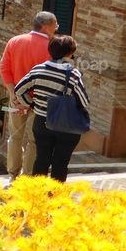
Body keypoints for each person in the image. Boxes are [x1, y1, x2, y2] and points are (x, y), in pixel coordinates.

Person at [14, 35, 89, 182]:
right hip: (66, 126)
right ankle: (55, 194)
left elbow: (19, 90)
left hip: (41, 122)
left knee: (41, 159)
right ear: (69, 53)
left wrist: (31, 104)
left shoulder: (38, 69)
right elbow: (83, 101)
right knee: (60, 162)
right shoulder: (73, 74)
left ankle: (37, 191)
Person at [0, 11, 57, 180]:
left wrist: (13, 94)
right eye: (55, 25)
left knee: (15, 137)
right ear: (46, 27)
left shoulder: (14, 41)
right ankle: (27, 176)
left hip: (16, 98)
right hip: (40, 102)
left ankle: (13, 175)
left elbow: (4, 69)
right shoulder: (52, 47)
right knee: (34, 140)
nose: (56, 28)